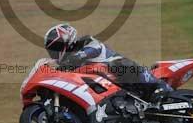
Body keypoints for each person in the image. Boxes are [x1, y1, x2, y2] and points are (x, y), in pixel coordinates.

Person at [43, 23, 173, 102]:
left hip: (115, 71)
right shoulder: (67, 64)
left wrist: (76, 57)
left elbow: (94, 49)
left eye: (55, 49)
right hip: (104, 89)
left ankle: (158, 85)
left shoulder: (86, 41)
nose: (54, 53)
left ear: (65, 42)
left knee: (119, 64)